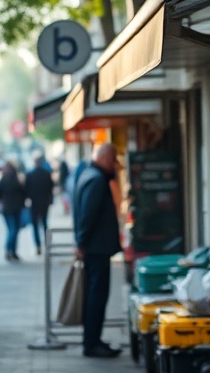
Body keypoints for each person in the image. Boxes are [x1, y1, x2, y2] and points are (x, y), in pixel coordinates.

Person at [73, 142, 123, 358]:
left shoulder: (89, 175)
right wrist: (81, 242)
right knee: (97, 295)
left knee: (97, 294)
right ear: (103, 158)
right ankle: (92, 342)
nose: (115, 165)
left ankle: (92, 340)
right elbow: (88, 215)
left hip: (94, 247)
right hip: (96, 249)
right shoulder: (96, 180)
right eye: (113, 160)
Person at [0, 159, 26, 261]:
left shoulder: (3, 180)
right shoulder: (18, 179)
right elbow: (23, 193)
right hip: (17, 208)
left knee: (11, 230)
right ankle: (12, 251)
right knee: (14, 230)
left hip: (7, 208)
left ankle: (9, 250)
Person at [24, 152, 55, 255]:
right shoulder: (46, 174)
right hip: (44, 202)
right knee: (44, 223)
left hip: (35, 203)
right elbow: (51, 188)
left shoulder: (30, 174)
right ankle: (47, 244)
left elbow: (26, 190)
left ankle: (37, 245)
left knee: (36, 225)